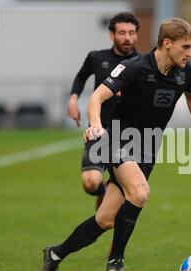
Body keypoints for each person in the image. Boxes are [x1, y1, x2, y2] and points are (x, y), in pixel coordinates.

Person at [37, 17, 191, 271]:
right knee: (140, 192)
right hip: (117, 138)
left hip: (148, 146)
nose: (189, 54)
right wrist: (96, 126)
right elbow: (97, 97)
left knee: (105, 219)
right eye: (185, 47)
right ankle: (116, 260)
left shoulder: (185, 71)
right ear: (167, 43)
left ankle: (56, 254)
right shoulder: (134, 67)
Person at [68, 12, 140, 209]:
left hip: (129, 135)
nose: (127, 37)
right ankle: (105, 190)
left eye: (132, 33)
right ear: (112, 35)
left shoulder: (143, 64)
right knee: (90, 182)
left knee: (125, 200)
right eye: (122, 32)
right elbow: (81, 77)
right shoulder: (96, 58)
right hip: (99, 129)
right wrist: (73, 100)